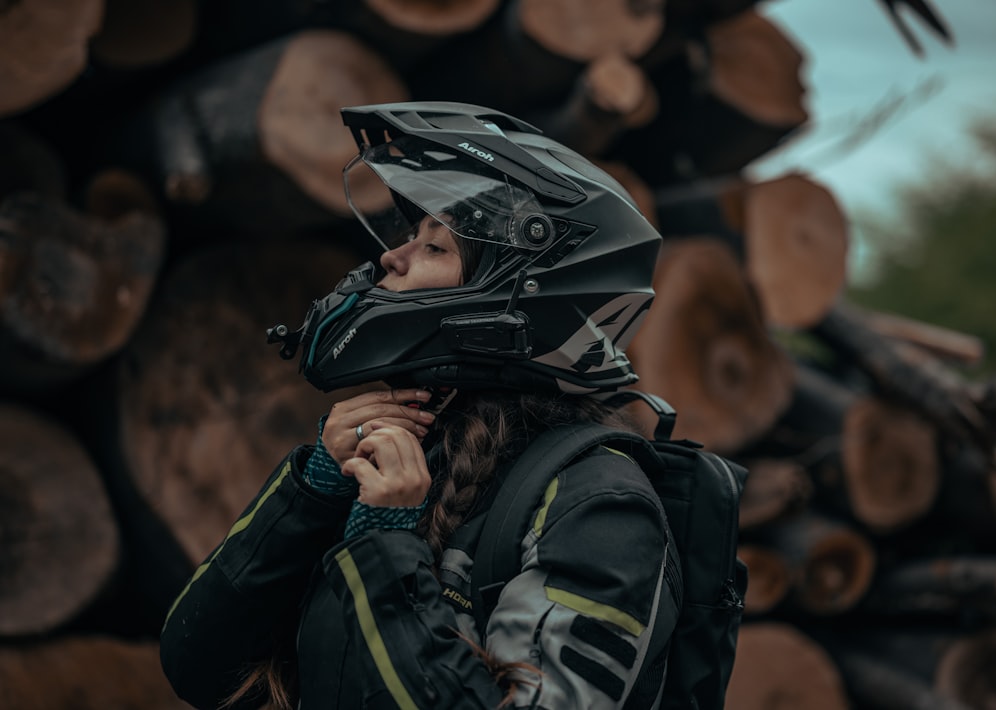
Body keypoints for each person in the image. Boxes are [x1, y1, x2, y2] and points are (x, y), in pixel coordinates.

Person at [160, 101, 676, 710]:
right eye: (411, 237)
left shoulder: (599, 507)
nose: (390, 258)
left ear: (521, 298)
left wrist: (384, 548)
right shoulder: (418, 447)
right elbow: (201, 667)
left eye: (435, 247)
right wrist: (316, 491)